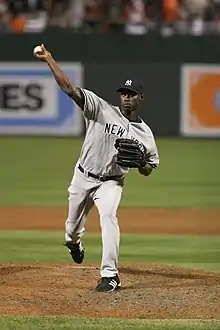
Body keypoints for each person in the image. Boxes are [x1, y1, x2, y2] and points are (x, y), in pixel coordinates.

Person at [33, 44, 160, 292]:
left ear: (140, 98)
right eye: (123, 93)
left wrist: (142, 163)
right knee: (70, 229)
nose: (126, 97)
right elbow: (69, 88)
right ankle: (74, 243)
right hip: (83, 176)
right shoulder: (100, 109)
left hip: (111, 182)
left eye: (132, 94)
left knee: (109, 216)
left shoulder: (146, 135)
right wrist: (49, 59)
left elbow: (149, 169)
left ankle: (110, 275)